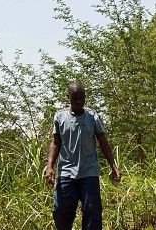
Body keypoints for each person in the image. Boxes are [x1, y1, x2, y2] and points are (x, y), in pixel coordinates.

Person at [43, 81, 121, 230]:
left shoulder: (92, 117)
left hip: (88, 173)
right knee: (61, 211)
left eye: (82, 98)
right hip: (66, 172)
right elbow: (55, 143)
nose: (79, 101)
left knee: (93, 213)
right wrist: (49, 166)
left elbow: (103, 142)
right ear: (69, 97)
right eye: (75, 98)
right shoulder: (60, 117)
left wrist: (113, 166)